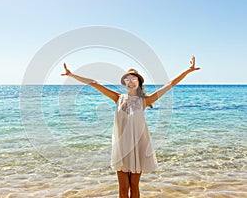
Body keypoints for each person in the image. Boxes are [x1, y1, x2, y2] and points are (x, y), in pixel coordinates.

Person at [61, 56, 200, 198]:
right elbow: (94, 83)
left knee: (134, 187)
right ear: (124, 83)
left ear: (139, 82)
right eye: (127, 79)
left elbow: (170, 84)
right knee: (122, 188)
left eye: (134, 79)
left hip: (138, 148)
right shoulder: (118, 98)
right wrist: (71, 75)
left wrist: (187, 71)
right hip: (121, 148)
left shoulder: (145, 101)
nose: (131, 81)